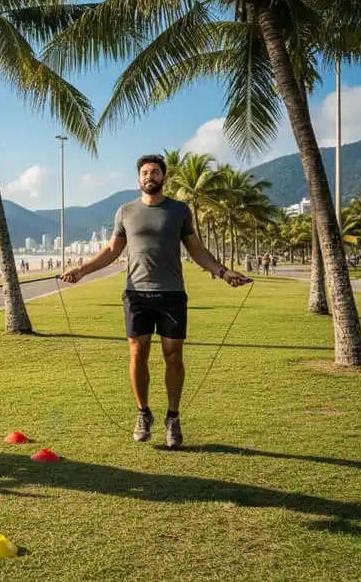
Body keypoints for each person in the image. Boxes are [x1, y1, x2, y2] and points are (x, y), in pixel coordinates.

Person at [61, 155, 250, 449]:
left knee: (173, 355)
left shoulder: (179, 210)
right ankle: (143, 413)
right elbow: (112, 250)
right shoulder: (125, 211)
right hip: (136, 294)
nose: (150, 176)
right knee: (138, 354)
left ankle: (173, 418)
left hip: (171, 293)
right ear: (139, 178)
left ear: (164, 177)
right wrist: (81, 270)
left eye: (155, 172)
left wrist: (223, 272)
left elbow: (197, 250)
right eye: (145, 172)